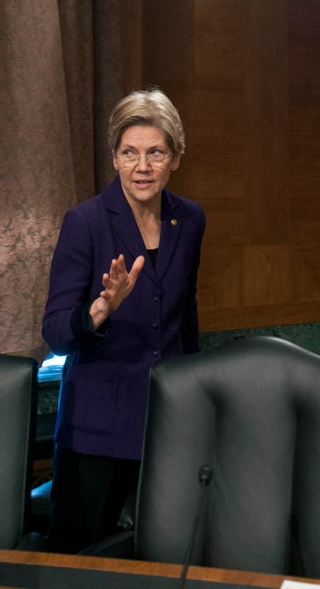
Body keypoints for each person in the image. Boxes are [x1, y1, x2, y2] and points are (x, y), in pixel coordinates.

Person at [41, 88, 206, 553]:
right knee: (77, 560)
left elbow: (185, 313)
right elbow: (53, 329)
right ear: (114, 158)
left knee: (165, 554)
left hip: (169, 422)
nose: (142, 166)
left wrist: (194, 395)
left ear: (175, 157)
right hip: (97, 426)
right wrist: (98, 311)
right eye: (129, 153)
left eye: (156, 152)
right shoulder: (85, 222)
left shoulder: (189, 219)